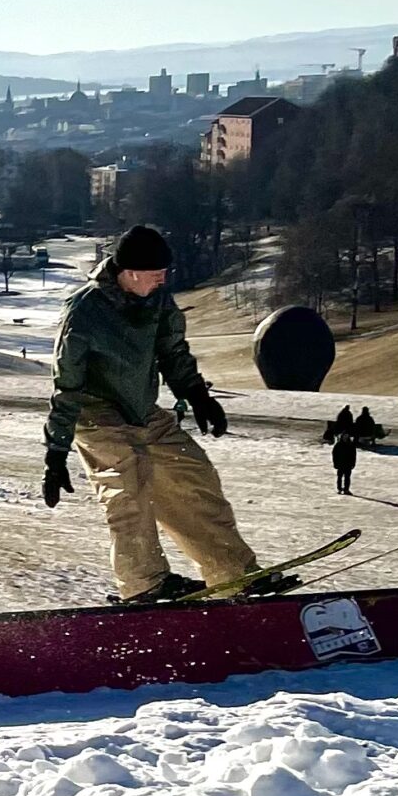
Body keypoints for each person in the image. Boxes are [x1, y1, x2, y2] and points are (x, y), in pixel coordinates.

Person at [42, 225, 276, 604]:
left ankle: (233, 574)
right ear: (129, 271)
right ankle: (143, 583)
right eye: (156, 274)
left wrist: (198, 396)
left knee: (192, 474)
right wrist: (56, 453)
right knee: (128, 488)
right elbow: (66, 387)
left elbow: (173, 353)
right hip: (96, 414)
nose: (163, 279)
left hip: (142, 410)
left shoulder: (158, 301)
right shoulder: (84, 313)